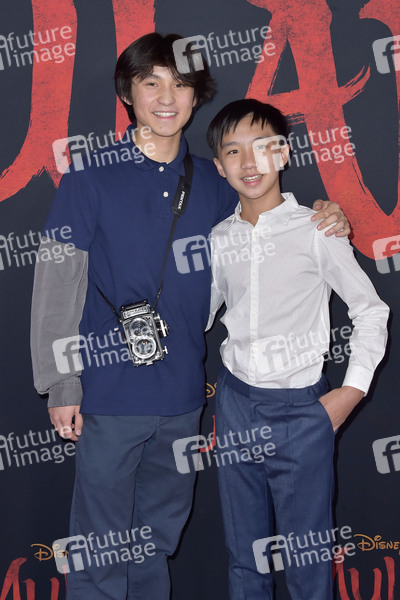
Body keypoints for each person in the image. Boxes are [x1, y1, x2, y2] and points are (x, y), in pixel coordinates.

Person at [30, 33, 349, 600]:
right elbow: (57, 282)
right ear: (127, 92)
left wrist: (328, 214)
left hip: (183, 399)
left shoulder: (216, 182)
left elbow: (273, 221)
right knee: (100, 550)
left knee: (156, 543)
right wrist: (61, 382)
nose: (165, 97)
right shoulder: (89, 176)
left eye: (179, 84)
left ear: (197, 95)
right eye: (150, 82)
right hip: (106, 393)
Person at [206, 98, 389, 600]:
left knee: (309, 562)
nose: (249, 163)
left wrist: (351, 392)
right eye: (234, 152)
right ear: (219, 166)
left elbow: (371, 311)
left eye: (262, 148)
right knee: (245, 558)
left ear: (284, 154)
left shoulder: (317, 228)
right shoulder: (219, 239)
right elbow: (203, 313)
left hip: (301, 408)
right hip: (235, 403)